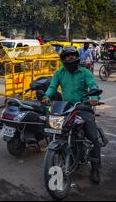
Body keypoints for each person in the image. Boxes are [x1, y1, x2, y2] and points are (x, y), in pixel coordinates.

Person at [42, 46, 102, 184]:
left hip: (82, 107)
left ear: (77, 57)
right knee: (56, 130)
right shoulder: (59, 73)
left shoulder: (85, 72)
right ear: (63, 59)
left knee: (93, 138)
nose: (70, 58)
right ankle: (62, 153)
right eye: (67, 56)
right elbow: (52, 88)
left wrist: (95, 99)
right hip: (66, 107)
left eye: (73, 55)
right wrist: (46, 96)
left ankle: (95, 168)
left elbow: (93, 86)